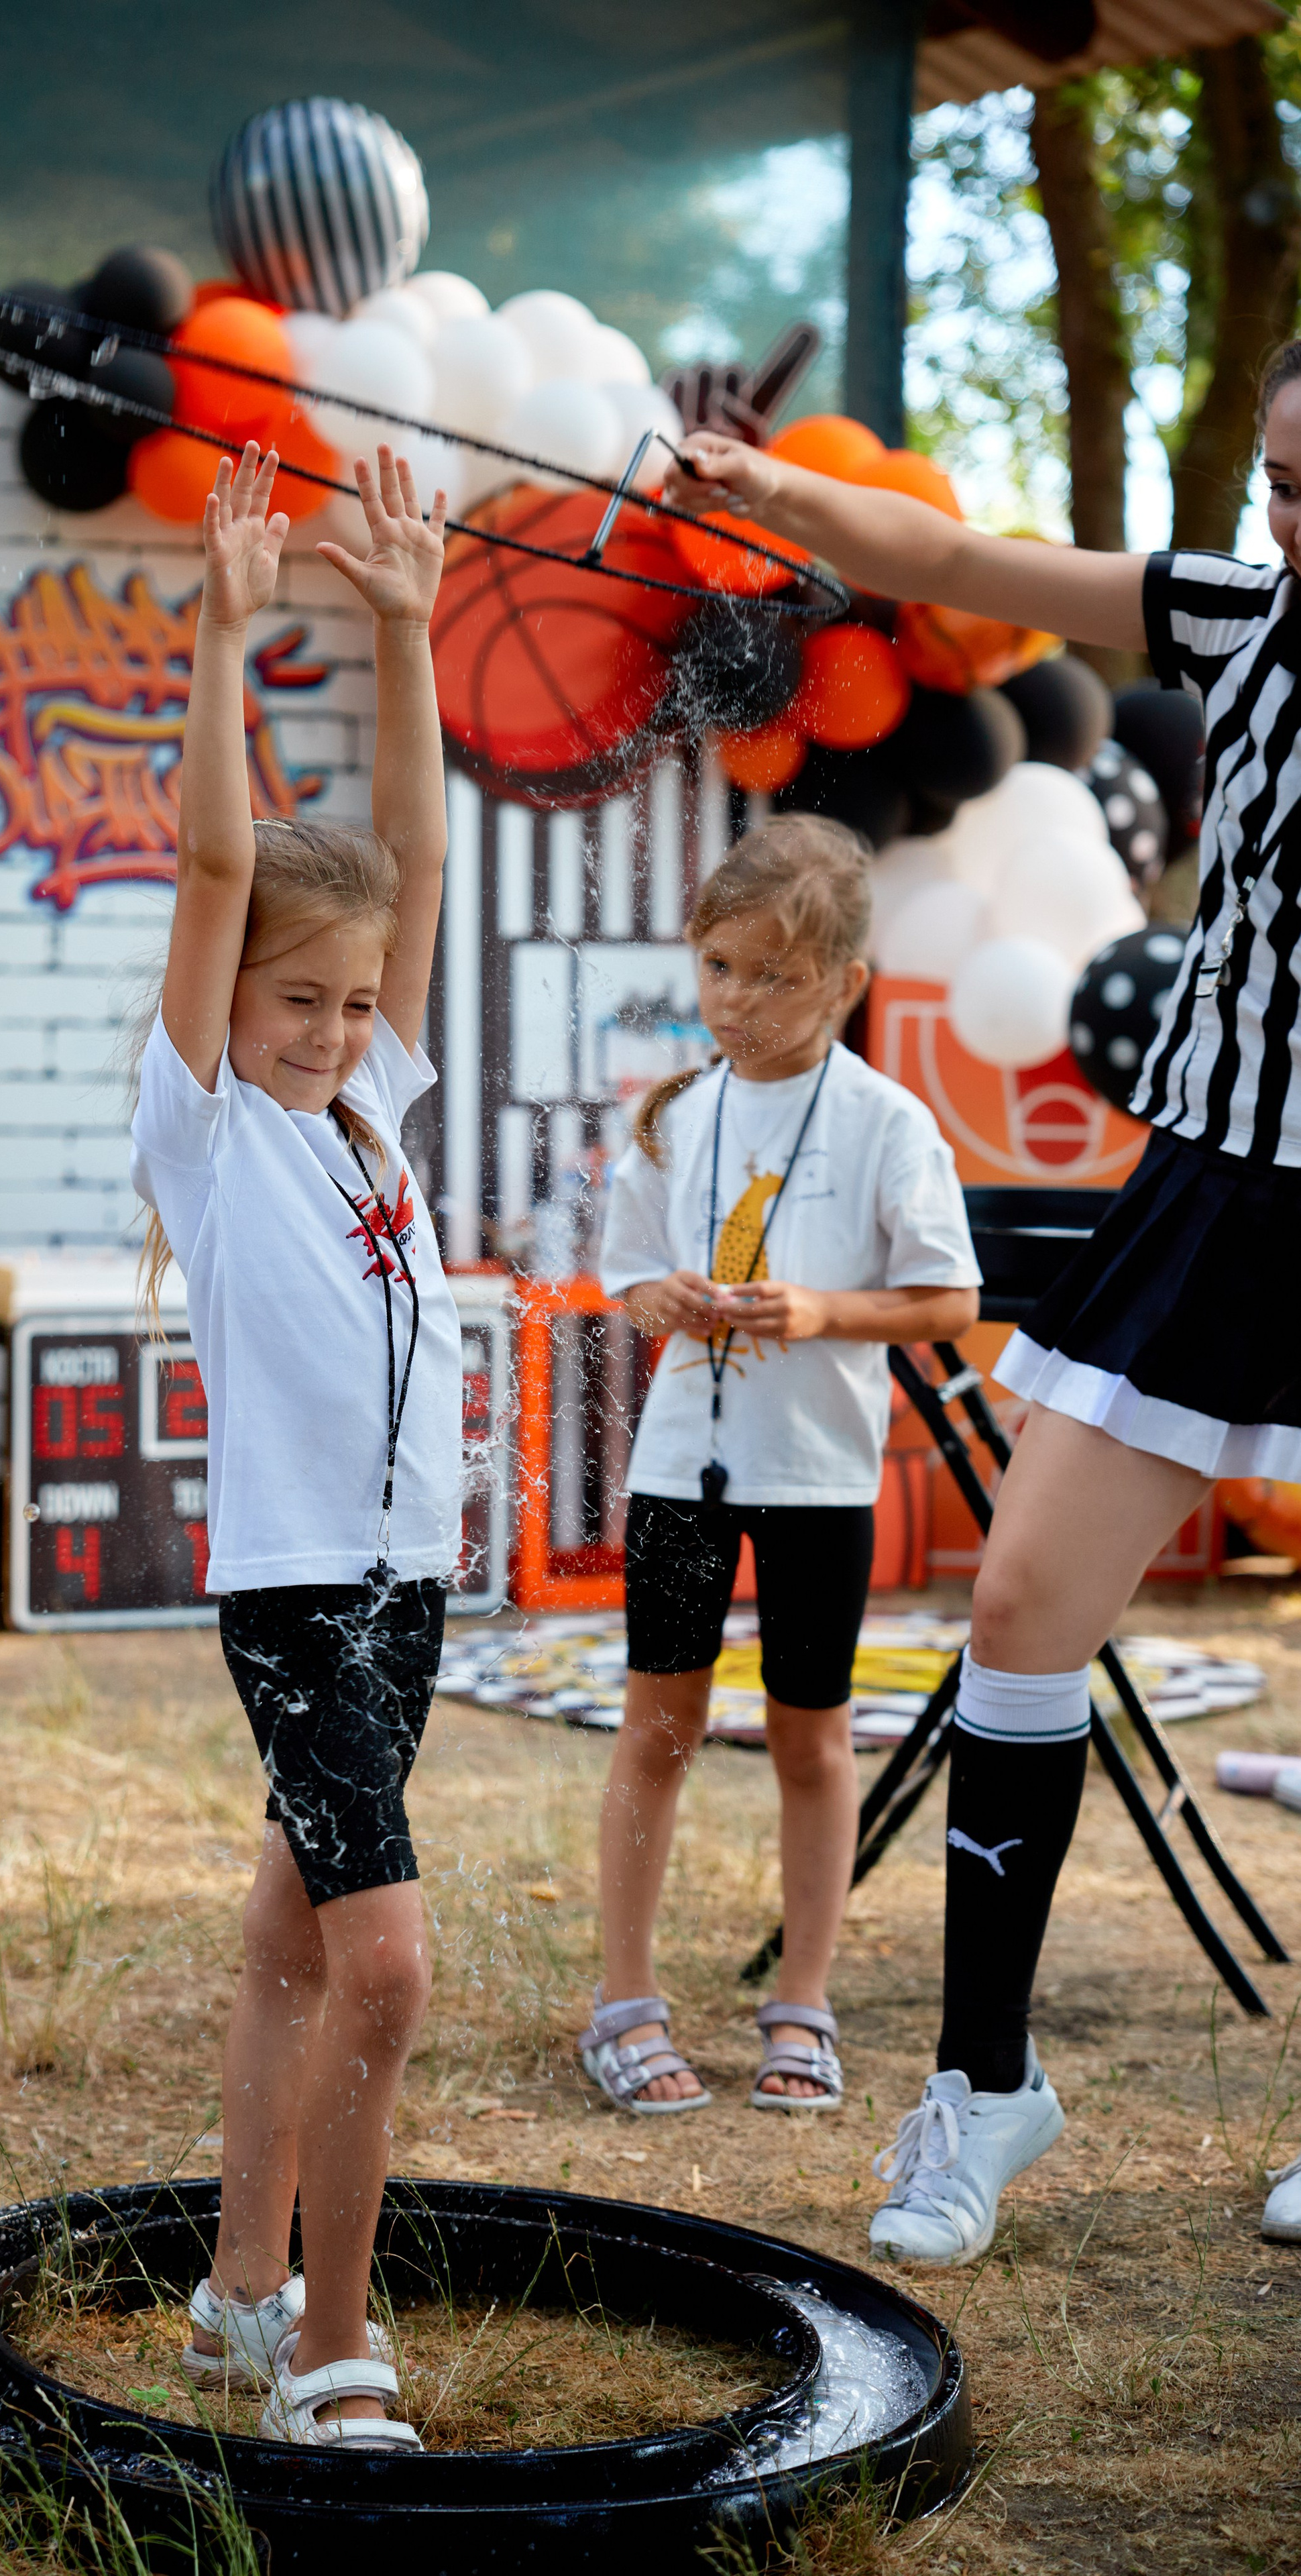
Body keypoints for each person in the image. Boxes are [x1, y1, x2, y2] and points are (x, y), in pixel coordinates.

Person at [664, 337, 1301, 2258]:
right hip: (1213, 1182)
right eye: (1280, 482)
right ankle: (986, 2085)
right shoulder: (1241, 617)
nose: (1291, 521)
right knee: (1023, 1602)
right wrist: (778, 503)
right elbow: (986, 567)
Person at [129, 439, 457, 2443]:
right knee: (390, 1971)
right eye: (298, 1006)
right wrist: (230, 633)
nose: (334, 1030)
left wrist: (408, 632)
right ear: (232, 1013)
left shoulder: (369, 1120)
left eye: (352, 1008)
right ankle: (335, 2348)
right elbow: (217, 871)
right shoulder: (213, 1136)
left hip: (404, 1580)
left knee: (290, 1936)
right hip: (299, 1592)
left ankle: (239, 2296)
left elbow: (400, 870)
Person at [579, 818, 980, 2120]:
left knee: (810, 1739)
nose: (737, 1002)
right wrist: (659, 1304)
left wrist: (815, 1313)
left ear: (845, 983)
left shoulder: (887, 1122)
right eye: (718, 968)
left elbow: (943, 1297)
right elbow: (624, 1279)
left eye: (773, 976)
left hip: (815, 1479)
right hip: (675, 1474)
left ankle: (799, 1999)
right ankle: (622, 2002)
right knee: (659, 1729)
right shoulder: (668, 1117)